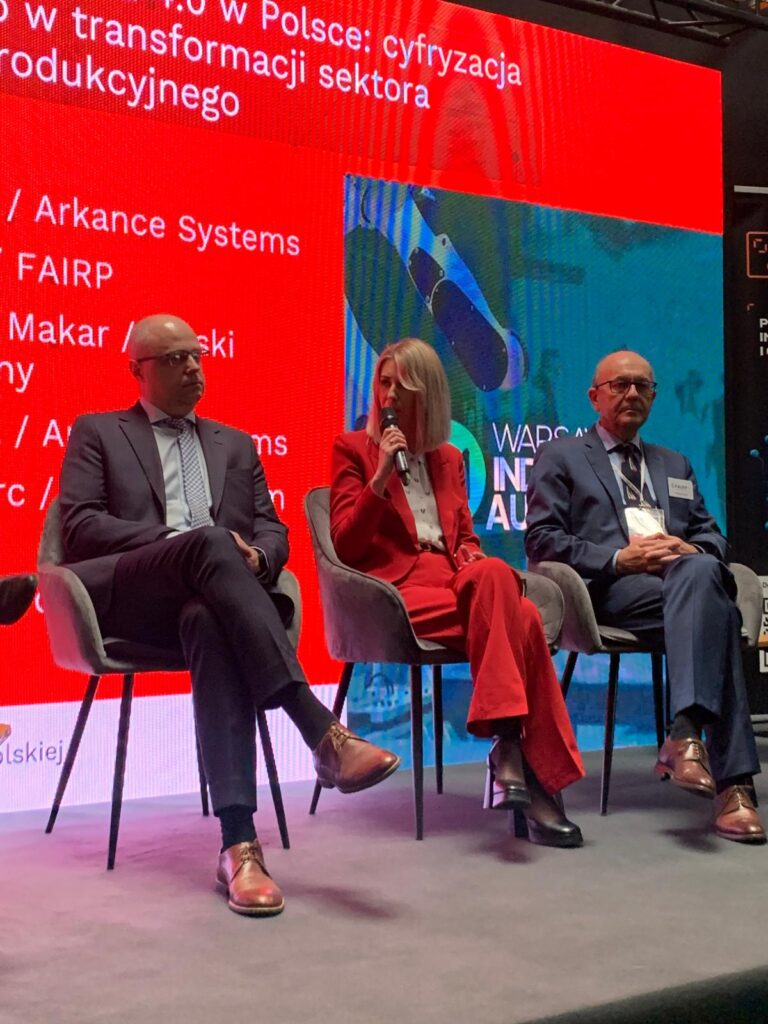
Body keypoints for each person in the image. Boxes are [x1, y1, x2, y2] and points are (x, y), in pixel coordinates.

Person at [58, 313, 400, 916]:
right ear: (137, 370)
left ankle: (238, 846)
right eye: (176, 359)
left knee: (207, 618)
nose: (194, 367)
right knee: (210, 542)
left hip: (217, 606)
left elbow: (272, 529)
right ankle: (320, 729)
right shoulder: (99, 431)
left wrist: (261, 558)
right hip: (134, 602)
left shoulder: (235, 444)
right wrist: (180, 542)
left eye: (198, 355)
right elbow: (81, 527)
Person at [330, 338, 585, 847]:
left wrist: (469, 556)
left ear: (427, 394)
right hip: (397, 592)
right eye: (384, 383)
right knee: (524, 619)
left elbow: (464, 537)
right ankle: (528, 770)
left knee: (493, 575)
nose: (388, 397)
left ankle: (511, 752)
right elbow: (346, 545)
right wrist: (381, 477)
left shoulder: (449, 457)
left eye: (402, 387)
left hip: (455, 580)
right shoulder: (352, 449)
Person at [525, 348, 764, 843]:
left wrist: (692, 548)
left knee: (704, 580)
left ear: (654, 397)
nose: (632, 393)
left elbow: (712, 536)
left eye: (643, 386)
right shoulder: (563, 455)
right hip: (609, 592)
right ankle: (731, 784)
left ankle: (686, 737)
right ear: (594, 397)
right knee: (717, 610)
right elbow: (542, 540)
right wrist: (619, 559)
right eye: (620, 385)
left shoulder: (674, 463)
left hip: (683, 588)